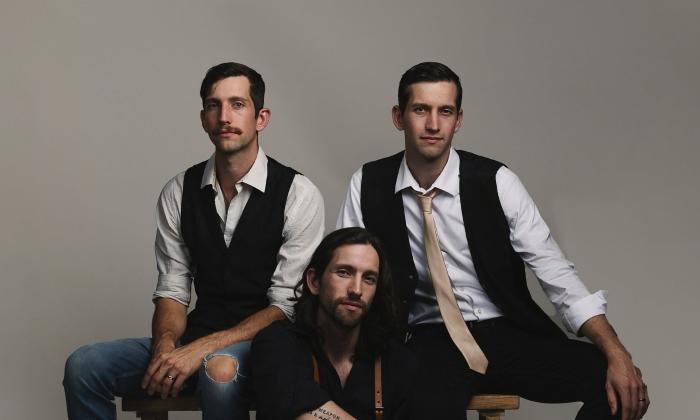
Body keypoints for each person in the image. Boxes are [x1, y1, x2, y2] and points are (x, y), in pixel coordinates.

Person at [337, 62, 649, 420]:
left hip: (503, 332)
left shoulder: (497, 181)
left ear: (459, 119)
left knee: (615, 388)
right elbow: (344, 277)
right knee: (424, 406)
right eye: (421, 109)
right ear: (398, 116)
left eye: (445, 111)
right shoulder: (368, 183)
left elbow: (558, 277)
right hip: (424, 339)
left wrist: (616, 353)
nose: (433, 124)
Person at [63, 62, 325, 420]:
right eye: (214, 106)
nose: (224, 116)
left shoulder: (298, 194)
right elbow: (172, 289)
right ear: (203, 119)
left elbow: (285, 308)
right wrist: (166, 346)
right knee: (84, 366)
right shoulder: (178, 191)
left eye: (237, 104)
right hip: (195, 340)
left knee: (218, 370)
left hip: (266, 350)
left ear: (260, 117)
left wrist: (200, 350)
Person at [251, 227, 416, 420]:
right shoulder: (277, 344)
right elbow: (299, 411)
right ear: (314, 281)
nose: (356, 289)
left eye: (369, 278)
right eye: (344, 272)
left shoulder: (397, 361)